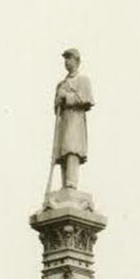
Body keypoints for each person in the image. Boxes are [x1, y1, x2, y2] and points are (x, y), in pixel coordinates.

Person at [53, 48, 94, 190]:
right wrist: (57, 100)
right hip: (64, 121)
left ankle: (71, 182)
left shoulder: (83, 80)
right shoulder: (61, 84)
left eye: (69, 58)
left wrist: (66, 96)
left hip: (75, 119)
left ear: (76, 60)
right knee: (63, 151)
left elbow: (86, 99)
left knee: (72, 149)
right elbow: (56, 109)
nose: (66, 61)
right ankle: (64, 184)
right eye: (65, 59)